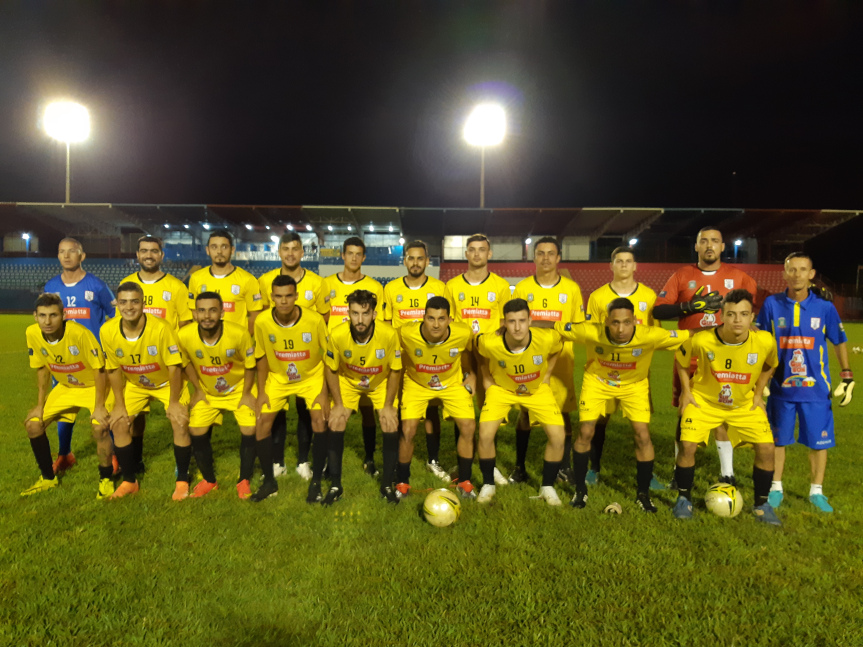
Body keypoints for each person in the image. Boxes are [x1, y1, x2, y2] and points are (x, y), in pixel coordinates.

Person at [556, 298, 689, 511]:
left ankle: (643, 494)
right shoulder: (590, 331)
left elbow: (690, 335)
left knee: (642, 435)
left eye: (627, 322)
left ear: (635, 321)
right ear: (606, 321)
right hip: (597, 382)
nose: (620, 329)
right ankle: (580, 491)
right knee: (586, 431)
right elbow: (555, 327)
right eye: (615, 322)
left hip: (634, 385)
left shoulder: (649, 335)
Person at [654, 226, 758, 486]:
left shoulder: (741, 278)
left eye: (715, 241)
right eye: (704, 241)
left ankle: (727, 473)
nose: (709, 245)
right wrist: (689, 306)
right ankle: (680, 474)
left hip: (726, 360)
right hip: (689, 359)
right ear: (697, 247)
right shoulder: (682, 275)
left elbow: (751, 319)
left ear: (723, 247)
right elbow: (660, 311)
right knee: (684, 413)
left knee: (723, 412)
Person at [671, 289, 780, 524]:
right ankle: (683, 499)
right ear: (722, 315)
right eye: (731, 314)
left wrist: (758, 394)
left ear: (752, 317)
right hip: (704, 401)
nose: (737, 320)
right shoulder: (702, 339)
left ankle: (761, 505)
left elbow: (770, 365)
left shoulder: (764, 341)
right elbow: (680, 361)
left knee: (767, 449)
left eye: (743, 314)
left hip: (743, 404)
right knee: (687, 445)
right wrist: (686, 394)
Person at [756, 252, 854, 513]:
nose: (797, 274)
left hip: (816, 390)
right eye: (792, 269)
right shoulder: (771, 305)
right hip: (780, 388)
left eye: (802, 270)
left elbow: (839, 340)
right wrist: (758, 378)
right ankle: (775, 487)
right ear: (784, 274)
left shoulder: (825, 308)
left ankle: (816, 492)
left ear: (811, 275)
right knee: (778, 441)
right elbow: (760, 342)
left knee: (817, 442)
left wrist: (846, 374)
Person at [101, 282, 190, 499]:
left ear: (143, 303)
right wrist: (120, 405)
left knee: (179, 421)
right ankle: (130, 481)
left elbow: (174, 367)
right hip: (135, 385)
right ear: (117, 305)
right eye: (123, 302)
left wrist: (174, 402)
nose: (129, 307)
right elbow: (112, 369)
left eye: (134, 301)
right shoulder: (107, 330)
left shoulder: (161, 328)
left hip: (167, 383)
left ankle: (182, 480)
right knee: (119, 423)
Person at [584, 246, 663, 489]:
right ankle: (593, 469)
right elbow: (593, 334)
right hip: (604, 372)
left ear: (635, 266)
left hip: (636, 374)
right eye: (619, 261)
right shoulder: (598, 297)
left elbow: (655, 334)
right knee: (599, 421)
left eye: (628, 261)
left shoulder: (649, 297)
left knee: (641, 426)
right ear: (611, 266)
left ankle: (648, 476)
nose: (624, 265)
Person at [21, 293, 114, 498]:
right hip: (65, 387)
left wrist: (99, 406)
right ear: (35, 316)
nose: (47, 321)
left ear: (63, 315)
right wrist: (39, 404)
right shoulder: (32, 333)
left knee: (100, 427)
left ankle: (106, 478)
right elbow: (42, 369)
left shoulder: (79, 333)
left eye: (53, 315)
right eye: (42, 315)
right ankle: (48, 478)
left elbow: (100, 369)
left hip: (93, 386)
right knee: (33, 424)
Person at [475, 299, 565, 505]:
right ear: (503, 322)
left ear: (530, 320)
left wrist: (548, 372)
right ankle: (488, 483)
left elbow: (558, 347)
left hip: (536, 390)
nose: (517, 327)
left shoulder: (546, 337)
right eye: (512, 321)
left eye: (522, 321)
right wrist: (486, 378)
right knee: (485, 435)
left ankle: (547, 486)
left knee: (558, 437)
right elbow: (478, 351)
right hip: (502, 389)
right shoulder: (490, 341)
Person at [510, 236, 584, 485]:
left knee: (563, 414)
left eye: (550, 253)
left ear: (558, 257)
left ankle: (564, 467)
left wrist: (547, 324)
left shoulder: (571, 289)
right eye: (540, 253)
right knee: (524, 414)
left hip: (562, 361)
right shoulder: (522, 288)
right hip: (529, 362)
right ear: (534, 257)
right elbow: (515, 327)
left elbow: (577, 327)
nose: (545, 258)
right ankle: (519, 467)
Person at [251, 275, 329, 503]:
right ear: (271, 297)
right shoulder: (262, 322)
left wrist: (324, 392)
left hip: (311, 376)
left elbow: (327, 357)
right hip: (278, 377)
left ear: (296, 296)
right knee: (261, 422)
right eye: (278, 296)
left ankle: (315, 482)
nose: (283, 301)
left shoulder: (314, 320)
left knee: (319, 419)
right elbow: (262, 356)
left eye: (288, 296)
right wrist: (262, 390)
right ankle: (269, 482)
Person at [258, 232, 328, 480]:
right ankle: (277, 461)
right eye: (285, 249)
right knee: (275, 411)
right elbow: (265, 323)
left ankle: (303, 461)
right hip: (279, 359)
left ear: (302, 252)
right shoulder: (265, 280)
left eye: (295, 249)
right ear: (279, 252)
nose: (290, 253)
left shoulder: (318, 283)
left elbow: (323, 324)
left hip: (306, 360)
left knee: (305, 410)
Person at [444, 233, 512, 486]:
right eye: (471, 249)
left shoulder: (501, 286)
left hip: (489, 356)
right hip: (461, 354)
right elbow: (449, 322)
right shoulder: (452, 286)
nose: (476, 254)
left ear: (489, 253)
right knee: (461, 405)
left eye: (481, 249)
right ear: (466, 254)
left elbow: (505, 323)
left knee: (489, 407)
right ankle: (463, 460)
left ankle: (488, 463)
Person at [121, 235, 193, 472]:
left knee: (178, 416)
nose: (149, 255)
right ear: (137, 255)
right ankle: (136, 461)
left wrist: (179, 360)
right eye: (144, 251)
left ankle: (180, 467)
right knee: (134, 417)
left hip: (167, 367)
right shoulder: (128, 283)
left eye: (154, 251)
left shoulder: (176, 286)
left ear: (161, 255)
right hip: (135, 366)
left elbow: (185, 326)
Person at [43, 237, 115, 473]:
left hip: (94, 360)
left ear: (82, 256)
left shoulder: (96, 285)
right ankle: (65, 454)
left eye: (71, 251)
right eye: (61, 251)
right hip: (63, 360)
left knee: (104, 407)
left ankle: (112, 456)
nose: (66, 256)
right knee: (65, 408)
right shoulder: (51, 287)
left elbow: (114, 315)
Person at [324, 290, 401, 504]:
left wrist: (388, 405)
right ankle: (335, 486)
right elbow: (330, 368)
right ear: (348, 313)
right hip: (349, 380)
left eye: (365, 314)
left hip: (379, 381)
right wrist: (338, 403)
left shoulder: (389, 334)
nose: (359, 320)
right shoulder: (338, 335)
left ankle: (386, 485)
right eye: (355, 313)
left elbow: (395, 370)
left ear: (374, 315)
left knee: (389, 421)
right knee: (336, 420)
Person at [178, 292, 257, 499]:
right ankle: (209, 481)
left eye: (213, 310)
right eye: (202, 311)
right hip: (208, 390)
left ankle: (244, 479)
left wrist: (247, 393)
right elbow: (185, 363)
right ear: (194, 314)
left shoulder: (239, 334)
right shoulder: (184, 335)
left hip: (239, 388)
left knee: (250, 427)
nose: (207, 316)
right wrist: (198, 389)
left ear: (222, 312)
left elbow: (250, 366)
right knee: (196, 430)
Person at [396, 297, 477, 499]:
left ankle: (465, 482)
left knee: (468, 427)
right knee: (408, 430)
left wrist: (471, 374)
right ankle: (402, 483)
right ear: (423, 317)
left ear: (450, 319)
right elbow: (390, 348)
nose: (436, 324)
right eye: (431, 318)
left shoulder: (463, 332)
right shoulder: (406, 332)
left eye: (441, 319)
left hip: (451, 383)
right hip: (417, 384)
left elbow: (471, 351)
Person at [383, 240, 449, 481]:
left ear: (427, 261)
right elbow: (388, 326)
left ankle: (433, 460)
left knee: (432, 410)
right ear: (405, 261)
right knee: (400, 410)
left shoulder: (440, 287)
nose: (415, 263)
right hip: (401, 362)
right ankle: (395, 460)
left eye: (420, 258)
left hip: (432, 359)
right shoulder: (391, 289)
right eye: (411, 258)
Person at [321, 237, 385, 477]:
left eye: (359, 254)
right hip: (336, 359)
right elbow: (322, 320)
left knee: (368, 410)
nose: (354, 258)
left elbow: (380, 324)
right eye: (350, 253)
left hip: (365, 359)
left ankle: (369, 458)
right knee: (332, 410)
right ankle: (329, 461)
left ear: (364, 257)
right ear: (342, 255)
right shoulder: (326, 284)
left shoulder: (375, 287)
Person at [187, 229, 263, 336]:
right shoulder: (196, 278)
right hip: (206, 344)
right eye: (214, 247)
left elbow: (255, 316)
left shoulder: (248, 279)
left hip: (237, 346)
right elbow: (194, 312)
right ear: (207, 250)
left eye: (224, 247)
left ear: (232, 250)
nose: (219, 251)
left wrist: (242, 340)